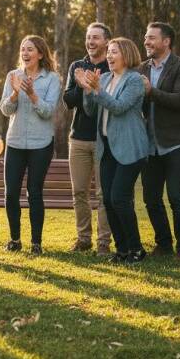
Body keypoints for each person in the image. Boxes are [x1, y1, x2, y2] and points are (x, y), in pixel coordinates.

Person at [77, 38, 149, 264]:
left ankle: (136, 249)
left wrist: (97, 89)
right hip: (107, 148)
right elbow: (90, 111)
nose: (108, 56)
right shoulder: (105, 78)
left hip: (130, 147)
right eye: (108, 52)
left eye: (113, 52)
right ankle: (122, 250)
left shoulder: (135, 80)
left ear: (126, 54)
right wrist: (88, 90)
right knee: (108, 200)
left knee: (119, 198)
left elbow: (118, 108)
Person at [139, 22, 180, 260]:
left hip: (176, 143)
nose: (147, 42)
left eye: (152, 38)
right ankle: (163, 244)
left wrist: (151, 91)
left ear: (166, 41)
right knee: (150, 198)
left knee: (176, 197)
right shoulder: (141, 68)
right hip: (149, 145)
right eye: (145, 37)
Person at [0, 35, 61, 255]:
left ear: (41, 54)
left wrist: (32, 94)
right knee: (11, 193)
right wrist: (16, 93)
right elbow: (5, 110)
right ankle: (14, 240)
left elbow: (47, 112)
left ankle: (36, 243)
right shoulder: (12, 76)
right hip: (15, 142)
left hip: (40, 144)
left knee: (34, 192)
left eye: (30, 50)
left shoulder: (52, 79)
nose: (25, 54)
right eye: (23, 49)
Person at [63, 22, 113, 255]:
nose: (90, 42)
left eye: (96, 38)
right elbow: (68, 101)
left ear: (106, 41)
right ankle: (83, 239)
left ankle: (104, 242)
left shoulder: (112, 66)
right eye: (88, 37)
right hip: (79, 138)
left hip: (104, 137)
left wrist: (95, 86)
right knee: (79, 192)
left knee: (104, 193)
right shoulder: (77, 66)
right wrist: (82, 86)